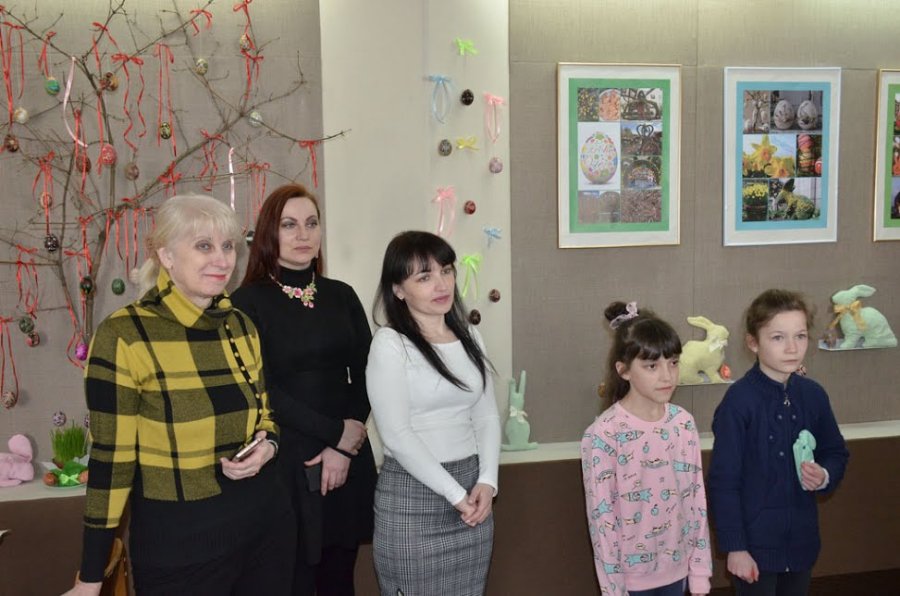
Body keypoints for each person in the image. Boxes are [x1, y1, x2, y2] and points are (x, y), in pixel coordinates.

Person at [65, 195, 294, 596]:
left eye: (228, 246)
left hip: (266, 534)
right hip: (180, 552)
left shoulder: (241, 325)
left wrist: (268, 445)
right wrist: (90, 576)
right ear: (166, 255)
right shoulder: (124, 335)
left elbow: (266, 413)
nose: (222, 259)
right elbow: (111, 462)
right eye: (204, 245)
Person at [230, 183, 376, 595]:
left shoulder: (342, 296)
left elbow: (369, 374)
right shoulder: (245, 303)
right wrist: (334, 434)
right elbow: (261, 390)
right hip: (287, 464)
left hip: (346, 460)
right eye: (289, 225)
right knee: (292, 582)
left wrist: (344, 446)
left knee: (339, 580)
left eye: (311, 223)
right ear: (269, 234)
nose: (303, 234)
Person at [366, 230, 501, 596]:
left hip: (472, 494)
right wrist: (455, 494)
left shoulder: (470, 335)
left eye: (446, 271)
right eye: (424, 277)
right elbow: (396, 435)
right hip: (413, 500)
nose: (441, 284)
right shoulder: (390, 344)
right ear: (398, 289)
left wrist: (488, 481)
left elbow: (486, 416)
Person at [707, 289, 849, 596]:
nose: (792, 348)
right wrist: (735, 547)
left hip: (802, 544)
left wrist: (824, 474)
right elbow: (723, 481)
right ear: (753, 343)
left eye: (800, 336)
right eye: (777, 338)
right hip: (753, 549)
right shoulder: (738, 402)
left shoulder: (813, 395)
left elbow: (836, 452)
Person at [581, 301, 711, 596]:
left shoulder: (683, 424)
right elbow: (602, 522)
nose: (667, 376)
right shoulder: (604, 435)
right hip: (630, 582)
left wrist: (699, 571)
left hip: (677, 572)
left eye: (673, 362)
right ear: (623, 370)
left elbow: (696, 500)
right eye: (652, 366)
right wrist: (614, 590)